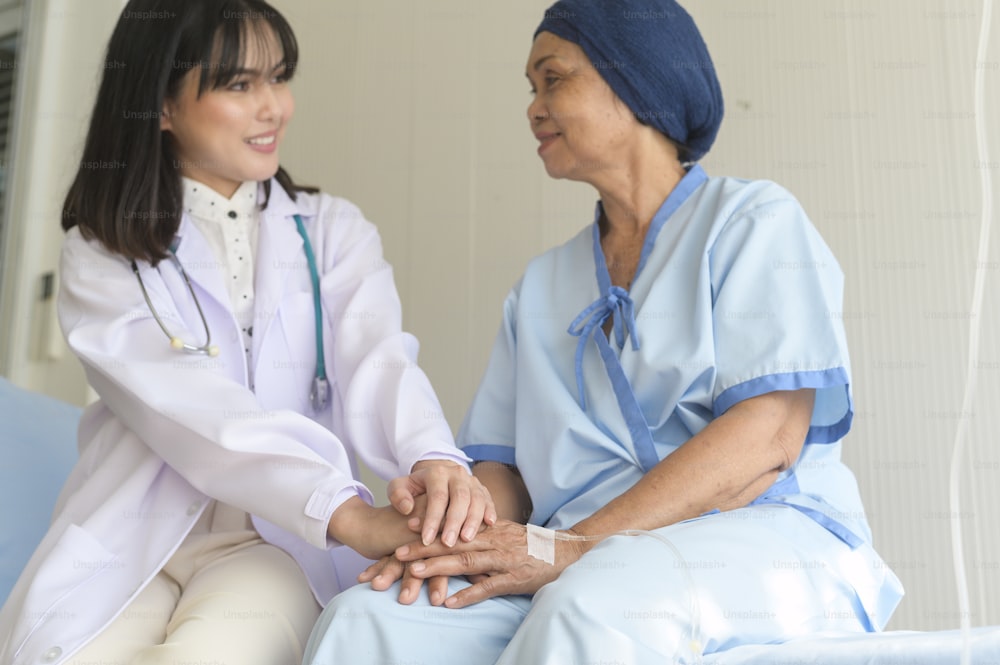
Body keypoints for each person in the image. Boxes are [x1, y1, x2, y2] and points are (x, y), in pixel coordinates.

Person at [303, 0, 905, 662]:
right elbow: (506, 475)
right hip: (573, 556)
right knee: (368, 618)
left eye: (553, 79)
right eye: (530, 89)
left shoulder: (753, 224)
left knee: (590, 602)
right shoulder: (540, 285)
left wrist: (574, 546)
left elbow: (768, 438)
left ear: (635, 80)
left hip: (762, 538)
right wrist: (449, 534)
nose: (533, 108)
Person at [0, 1, 494, 663]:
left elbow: (380, 365)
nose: (275, 107)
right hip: (131, 534)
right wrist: (350, 513)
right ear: (162, 105)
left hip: (275, 538)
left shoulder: (331, 233)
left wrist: (432, 459)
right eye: (240, 84)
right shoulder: (103, 253)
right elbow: (191, 408)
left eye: (279, 77)